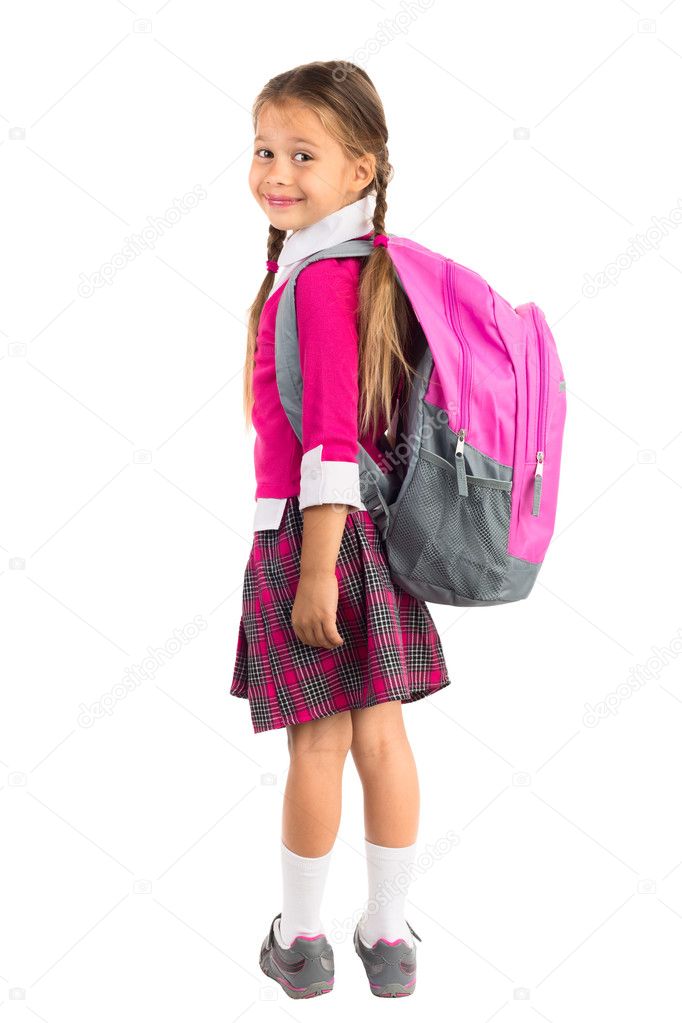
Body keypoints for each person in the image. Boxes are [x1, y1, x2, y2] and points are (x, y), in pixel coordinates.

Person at [230, 59, 451, 998]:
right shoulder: (366, 269)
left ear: (362, 169)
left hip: (315, 536)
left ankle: (303, 937)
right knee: (383, 737)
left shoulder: (321, 280)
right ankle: (390, 938)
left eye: (302, 154)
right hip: (379, 530)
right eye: (264, 149)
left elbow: (327, 436)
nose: (276, 171)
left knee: (318, 745)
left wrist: (315, 570)